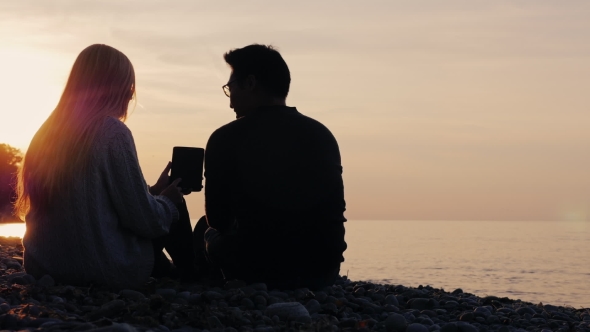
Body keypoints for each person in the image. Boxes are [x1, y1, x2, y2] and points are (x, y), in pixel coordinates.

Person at [15, 44, 194, 289]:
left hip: (44, 267)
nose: (131, 94)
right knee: (175, 206)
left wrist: (152, 192)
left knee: (160, 205)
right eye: (128, 86)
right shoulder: (113, 132)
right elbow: (143, 219)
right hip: (100, 268)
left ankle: (171, 270)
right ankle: (195, 275)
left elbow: (99, 204)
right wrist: (167, 200)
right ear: (112, 87)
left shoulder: (45, 134)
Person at [193, 44, 347, 289]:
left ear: (250, 83)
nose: (229, 97)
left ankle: (207, 285)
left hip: (256, 268)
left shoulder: (225, 138)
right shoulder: (322, 134)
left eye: (230, 87)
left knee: (204, 227)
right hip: (322, 269)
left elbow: (218, 220)